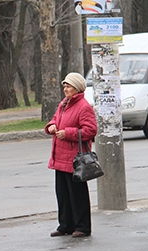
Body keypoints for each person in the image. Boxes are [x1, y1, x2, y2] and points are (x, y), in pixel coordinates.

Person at [44, 72, 97, 238]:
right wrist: (51, 126)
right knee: (63, 194)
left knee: (77, 194)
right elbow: (55, 119)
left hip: (75, 160)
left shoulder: (83, 106)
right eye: (65, 86)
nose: (65, 89)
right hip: (60, 157)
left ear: (78, 88)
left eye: (69, 86)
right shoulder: (64, 103)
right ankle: (65, 225)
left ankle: (82, 227)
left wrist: (67, 133)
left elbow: (90, 130)